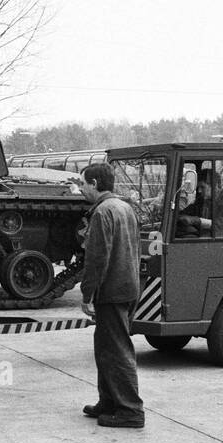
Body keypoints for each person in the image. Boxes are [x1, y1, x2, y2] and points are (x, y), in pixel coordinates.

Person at [78, 163, 145, 429]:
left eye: (83, 184)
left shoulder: (103, 212)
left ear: (94, 184)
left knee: (116, 351)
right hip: (127, 287)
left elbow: (97, 259)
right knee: (106, 349)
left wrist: (87, 294)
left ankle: (130, 410)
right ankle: (109, 401)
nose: (81, 189)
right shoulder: (125, 207)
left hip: (112, 291)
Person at [175, 168, 223, 237]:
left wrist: (196, 220)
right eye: (198, 187)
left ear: (216, 185)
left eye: (202, 187)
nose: (199, 191)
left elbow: (221, 226)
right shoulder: (203, 199)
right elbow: (186, 212)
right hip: (207, 237)